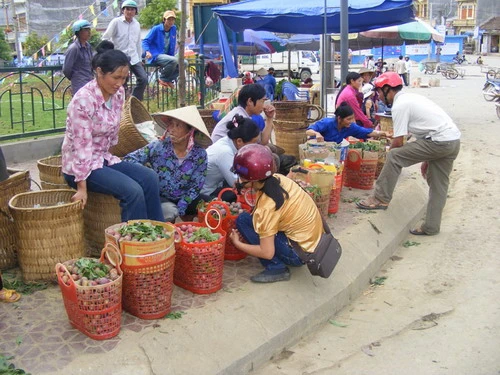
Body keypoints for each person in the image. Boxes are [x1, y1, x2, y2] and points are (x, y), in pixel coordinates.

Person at [61, 48, 165, 222]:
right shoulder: (82, 101)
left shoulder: (118, 94)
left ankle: (160, 234)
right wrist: (81, 188)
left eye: (124, 78)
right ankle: (134, 243)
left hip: (103, 159)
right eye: (116, 77)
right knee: (132, 191)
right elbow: (81, 147)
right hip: (79, 168)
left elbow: (112, 134)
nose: (119, 83)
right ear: (99, 72)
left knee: (149, 177)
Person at [356, 72, 461, 236]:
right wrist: (428, 158)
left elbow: (398, 142)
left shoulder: (400, 105)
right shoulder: (411, 98)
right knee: (439, 186)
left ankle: (380, 198)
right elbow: (425, 129)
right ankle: (431, 227)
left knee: (394, 156)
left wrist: (386, 156)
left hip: (438, 141)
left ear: (387, 89)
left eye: (378, 92)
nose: (379, 97)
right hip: (452, 140)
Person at [229, 144, 324, 283]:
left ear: (251, 180)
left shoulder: (266, 207)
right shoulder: (279, 178)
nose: (239, 180)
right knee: (248, 218)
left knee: (243, 221)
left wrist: (237, 243)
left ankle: (276, 268)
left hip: (300, 254)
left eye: (241, 178)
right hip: (314, 242)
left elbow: (267, 253)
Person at [124, 106, 211, 223]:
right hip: (160, 196)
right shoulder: (158, 146)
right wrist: (147, 173)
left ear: (190, 131)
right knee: (170, 211)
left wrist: (184, 203)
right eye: (171, 124)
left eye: (178, 125)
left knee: (212, 204)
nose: (172, 129)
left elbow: (196, 185)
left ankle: (189, 223)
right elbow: (130, 159)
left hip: (185, 197)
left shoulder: (200, 154)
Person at [201, 115, 260, 198]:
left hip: (218, 183)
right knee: (233, 195)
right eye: (253, 143)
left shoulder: (230, 142)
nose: (255, 147)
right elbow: (237, 182)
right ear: (239, 141)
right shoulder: (225, 152)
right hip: (206, 193)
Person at [102, 0, 148, 101]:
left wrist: (140, 59)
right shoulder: (116, 22)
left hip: (134, 58)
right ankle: (121, 103)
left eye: (132, 10)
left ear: (135, 12)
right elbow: (105, 38)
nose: (129, 12)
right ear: (123, 10)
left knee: (143, 79)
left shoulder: (137, 24)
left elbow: (138, 44)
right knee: (121, 82)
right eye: (127, 9)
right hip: (119, 58)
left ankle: (134, 101)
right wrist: (110, 53)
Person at [306, 102, 388, 143]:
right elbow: (308, 131)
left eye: (352, 118)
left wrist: (384, 133)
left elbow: (367, 132)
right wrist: (317, 134)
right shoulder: (327, 123)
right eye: (348, 119)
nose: (351, 121)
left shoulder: (350, 127)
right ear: (339, 118)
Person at [142, 10, 179, 89]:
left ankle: (169, 79)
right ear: (164, 20)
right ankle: (163, 78)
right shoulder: (156, 29)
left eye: (173, 19)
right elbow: (145, 41)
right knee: (174, 60)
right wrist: (147, 51)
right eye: (169, 19)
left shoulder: (173, 29)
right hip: (157, 55)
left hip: (168, 56)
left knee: (184, 63)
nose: (171, 21)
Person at [62, 20, 94, 95]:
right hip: (79, 85)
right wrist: (76, 78)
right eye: (86, 30)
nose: (89, 32)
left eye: (89, 29)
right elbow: (66, 69)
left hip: (89, 82)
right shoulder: (74, 48)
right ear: (78, 32)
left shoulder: (88, 46)